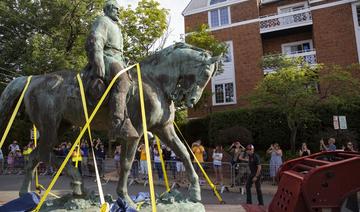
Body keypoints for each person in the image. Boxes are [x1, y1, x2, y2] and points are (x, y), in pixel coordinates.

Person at [85, 0, 138, 141]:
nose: (118, 11)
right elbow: (95, 39)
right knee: (122, 80)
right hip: (107, 57)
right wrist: (98, 61)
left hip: (119, 59)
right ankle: (117, 123)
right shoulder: (103, 21)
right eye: (116, 8)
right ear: (107, 9)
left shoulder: (116, 26)